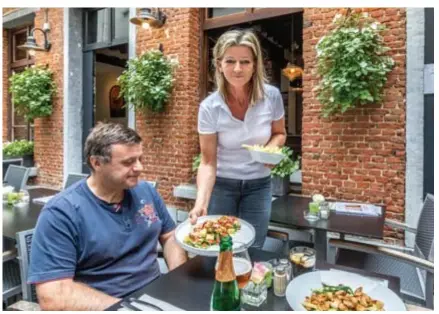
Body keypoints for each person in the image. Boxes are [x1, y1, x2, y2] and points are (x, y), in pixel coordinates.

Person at [28, 122, 187, 310]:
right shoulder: (61, 213)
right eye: (128, 162)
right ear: (96, 163)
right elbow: (53, 297)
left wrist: (179, 280)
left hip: (156, 297)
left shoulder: (146, 192)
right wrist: (130, 309)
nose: (139, 168)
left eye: (139, 159)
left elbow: (169, 236)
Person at [189, 29, 286, 248]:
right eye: (230, 61)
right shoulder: (209, 108)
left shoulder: (271, 96)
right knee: (220, 247)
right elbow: (207, 162)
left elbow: (279, 133)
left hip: (259, 185)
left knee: (252, 246)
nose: (238, 69)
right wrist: (201, 202)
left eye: (245, 62)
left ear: (255, 64)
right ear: (219, 64)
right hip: (222, 186)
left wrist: (270, 149)